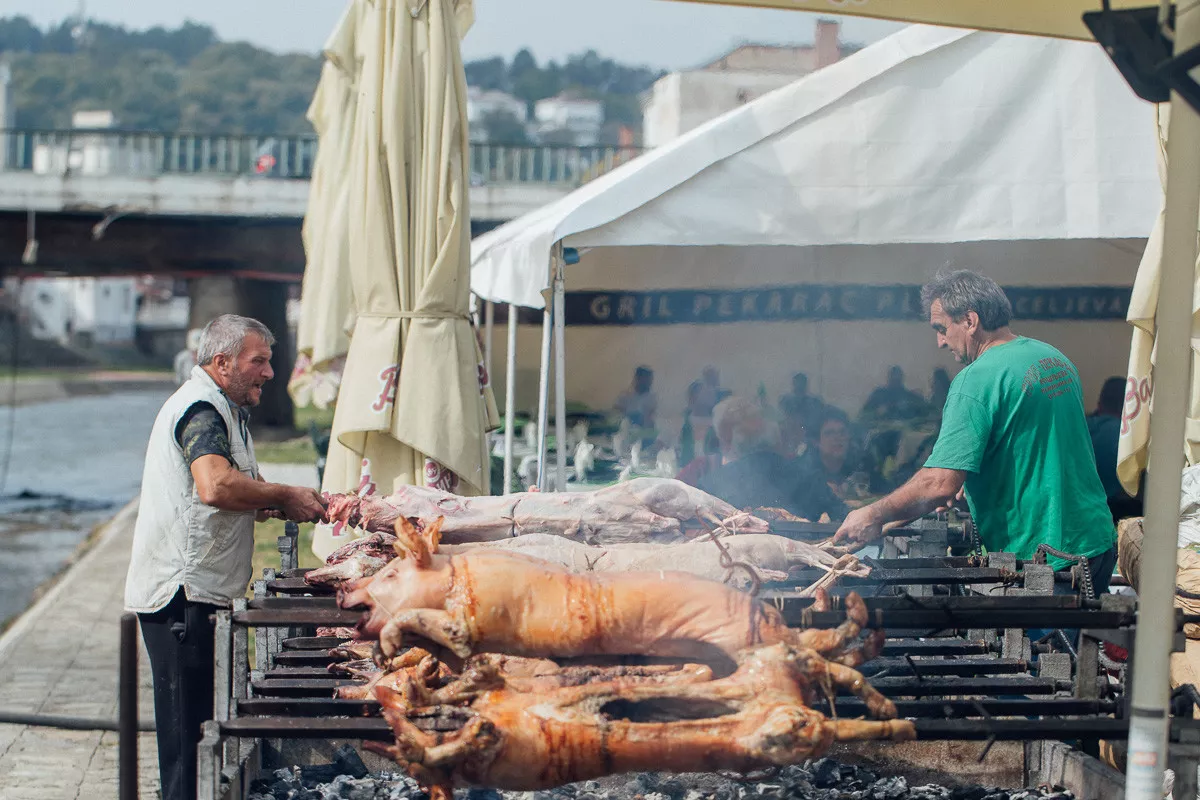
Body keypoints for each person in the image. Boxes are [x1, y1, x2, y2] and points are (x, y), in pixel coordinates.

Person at [124, 314, 327, 800]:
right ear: (221, 363)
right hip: (182, 598)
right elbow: (214, 485)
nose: (269, 373)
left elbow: (231, 491)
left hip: (202, 593)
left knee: (199, 738)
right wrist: (281, 490)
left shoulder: (226, 410)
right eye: (259, 362)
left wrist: (276, 499)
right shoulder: (201, 411)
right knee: (186, 746)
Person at [833, 270, 1117, 594]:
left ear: (970, 321)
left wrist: (872, 513)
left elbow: (939, 483)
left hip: (1046, 559)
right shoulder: (1055, 359)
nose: (940, 342)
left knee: (1040, 643)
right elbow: (1032, 444)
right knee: (1080, 643)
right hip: (1096, 543)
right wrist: (973, 486)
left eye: (941, 329)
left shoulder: (975, 379)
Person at [696, 396, 847, 521]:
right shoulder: (808, 479)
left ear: (730, 442)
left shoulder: (709, 485)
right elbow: (843, 518)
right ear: (777, 439)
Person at [1089, 376, 1143, 523]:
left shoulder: (1083, 427)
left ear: (1100, 404)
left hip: (1081, 510)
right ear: (1130, 408)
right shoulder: (1130, 438)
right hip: (1115, 513)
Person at [861, 365, 928, 421]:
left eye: (897, 379)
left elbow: (924, 413)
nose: (895, 382)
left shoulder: (910, 397)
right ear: (889, 379)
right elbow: (864, 413)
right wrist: (878, 413)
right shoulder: (879, 395)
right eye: (893, 379)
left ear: (901, 380)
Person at [679, 379, 719, 467]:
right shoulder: (679, 423)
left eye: (710, 393)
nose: (710, 396)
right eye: (704, 393)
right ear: (692, 397)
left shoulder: (718, 425)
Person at [615, 365, 658, 430]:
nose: (649, 382)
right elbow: (617, 415)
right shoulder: (624, 396)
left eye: (650, 380)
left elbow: (652, 418)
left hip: (646, 432)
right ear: (637, 379)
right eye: (646, 379)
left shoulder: (653, 398)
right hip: (626, 431)